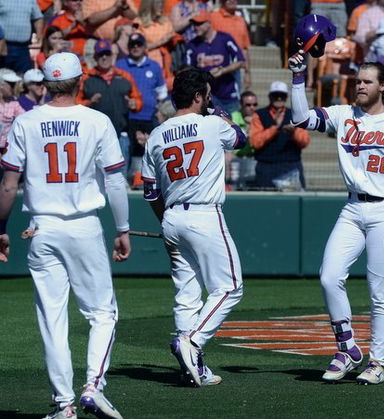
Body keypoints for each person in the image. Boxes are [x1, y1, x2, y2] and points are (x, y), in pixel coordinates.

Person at [0, 51, 130, 419]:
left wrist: (0, 229)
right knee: (102, 313)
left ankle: (64, 405)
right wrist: (122, 228)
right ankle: (93, 386)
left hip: (40, 226)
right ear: (79, 80)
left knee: (52, 320)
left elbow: (9, 185)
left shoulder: (27, 122)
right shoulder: (96, 120)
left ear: (45, 81)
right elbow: (116, 181)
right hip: (84, 223)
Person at [289, 48, 384, 383]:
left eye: (367, 81)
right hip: (353, 206)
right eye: (358, 81)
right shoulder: (343, 114)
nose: (360, 86)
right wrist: (297, 77)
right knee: (328, 276)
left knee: (380, 290)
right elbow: (301, 119)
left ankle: (376, 363)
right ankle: (347, 347)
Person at [142, 68, 247, 387]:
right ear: (199, 96)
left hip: (172, 216)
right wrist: (219, 112)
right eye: (206, 94)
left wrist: (165, 221)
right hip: (204, 213)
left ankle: (194, 367)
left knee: (187, 295)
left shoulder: (157, 134)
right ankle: (193, 342)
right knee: (231, 287)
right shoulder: (212, 124)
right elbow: (242, 139)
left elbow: (149, 191)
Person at [77, 39, 143, 177]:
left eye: (107, 54)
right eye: (101, 55)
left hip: (120, 134)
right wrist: (89, 102)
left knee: (120, 178)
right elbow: (75, 104)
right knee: (96, 176)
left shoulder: (124, 76)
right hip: (94, 135)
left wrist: (134, 104)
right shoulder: (87, 77)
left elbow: (138, 101)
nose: (104, 57)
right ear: (95, 57)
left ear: (112, 56)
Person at [116, 32, 168, 187]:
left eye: (139, 44)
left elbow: (162, 92)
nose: (136, 48)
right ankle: (126, 180)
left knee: (148, 150)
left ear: (145, 47)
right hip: (127, 116)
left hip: (149, 116)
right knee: (128, 147)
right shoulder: (120, 65)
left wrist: (158, 108)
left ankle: (146, 181)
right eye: (132, 45)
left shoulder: (154, 66)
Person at [249, 81, 311, 190]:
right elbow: (254, 142)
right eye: (275, 95)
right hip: (266, 167)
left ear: (286, 97)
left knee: (293, 203)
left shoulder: (295, 115)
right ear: (269, 97)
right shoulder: (259, 115)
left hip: (291, 165)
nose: (278, 99)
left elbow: (305, 141)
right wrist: (275, 129)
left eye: (281, 96)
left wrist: (293, 133)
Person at [185, 10, 245, 114]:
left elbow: (240, 61)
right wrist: (205, 75)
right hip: (205, 97)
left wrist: (223, 70)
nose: (195, 27)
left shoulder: (225, 38)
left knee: (233, 126)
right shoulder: (192, 44)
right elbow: (187, 69)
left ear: (208, 23)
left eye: (199, 24)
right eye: (194, 24)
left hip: (228, 94)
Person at [210, 0, 252, 89]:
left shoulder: (241, 21)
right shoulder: (213, 17)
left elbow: (244, 49)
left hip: (235, 68)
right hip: (216, 66)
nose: (232, 1)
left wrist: (247, 73)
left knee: (234, 100)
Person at [0, 0, 43, 73]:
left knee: (23, 76)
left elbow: (38, 17)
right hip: (4, 46)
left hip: (23, 48)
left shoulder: (30, 1)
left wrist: (39, 35)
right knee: (3, 76)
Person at [227, 90, 257, 190]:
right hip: (235, 157)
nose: (252, 108)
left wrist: (252, 125)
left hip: (253, 157)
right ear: (241, 104)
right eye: (248, 105)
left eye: (254, 104)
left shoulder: (259, 118)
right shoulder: (233, 117)